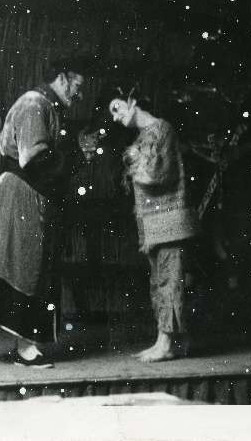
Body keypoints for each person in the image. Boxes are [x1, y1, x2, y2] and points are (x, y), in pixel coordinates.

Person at [0, 57, 99, 368]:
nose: (80, 94)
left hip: (29, 194)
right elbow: (33, 158)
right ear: (62, 78)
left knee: (32, 265)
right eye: (78, 85)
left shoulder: (48, 107)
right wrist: (77, 157)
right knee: (26, 266)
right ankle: (25, 347)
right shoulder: (35, 103)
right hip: (22, 193)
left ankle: (26, 344)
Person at [107, 85, 200, 362]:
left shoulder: (161, 129)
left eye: (117, 108)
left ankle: (167, 343)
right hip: (154, 224)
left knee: (170, 280)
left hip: (170, 222)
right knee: (160, 281)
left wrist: (132, 164)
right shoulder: (143, 136)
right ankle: (168, 341)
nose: (115, 116)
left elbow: (155, 174)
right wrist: (134, 163)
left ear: (133, 100)